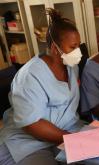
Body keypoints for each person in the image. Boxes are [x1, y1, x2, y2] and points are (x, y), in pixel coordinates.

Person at [0, 8, 84, 165]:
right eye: (72, 47)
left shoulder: (72, 67)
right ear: (54, 49)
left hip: (67, 129)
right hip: (29, 141)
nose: (78, 52)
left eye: (78, 46)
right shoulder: (29, 76)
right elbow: (32, 124)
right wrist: (70, 139)